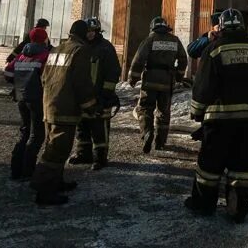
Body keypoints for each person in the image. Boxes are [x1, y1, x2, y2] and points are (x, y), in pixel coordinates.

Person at [185, 8, 248, 223]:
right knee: (241, 165)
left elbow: (202, 85)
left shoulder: (213, 50)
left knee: (210, 165)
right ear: (242, 26)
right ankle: (237, 210)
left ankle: (203, 206)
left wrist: (196, 112)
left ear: (220, 27)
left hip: (219, 118)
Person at [31, 19, 99, 206]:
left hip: (50, 105)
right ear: (84, 34)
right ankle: (45, 191)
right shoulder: (80, 50)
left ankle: (56, 182)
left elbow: (44, 76)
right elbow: (81, 82)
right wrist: (90, 105)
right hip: (65, 108)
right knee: (57, 150)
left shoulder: (56, 49)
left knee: (52, 145)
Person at [128, 16, 187, 153]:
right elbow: (183, 59)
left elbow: (139, 60)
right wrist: (179, 75)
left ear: (152, 27)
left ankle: (147, 132)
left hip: (150, 81)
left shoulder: (150, 39)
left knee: (145, 108)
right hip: (167, 81)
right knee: (164, 112)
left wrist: (133, 78)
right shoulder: (175, 40)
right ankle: (160, 142)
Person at [69, 17, 122, 170]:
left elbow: (113, 72)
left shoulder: (106, 48)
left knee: (99, 128)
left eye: (93, 31)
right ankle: (83, 154)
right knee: (82, 126)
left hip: (100, 95)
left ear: (98, 32)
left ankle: (100, 158)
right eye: (88, 31)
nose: (90, 34)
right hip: (83, 95)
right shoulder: (79, 47)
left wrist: (106, 93)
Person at [5, 25, 52, 180]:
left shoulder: (21, 55)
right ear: (44, 39)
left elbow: (8, 72)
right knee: (36, 134)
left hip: (21, 98)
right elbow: (48, 77)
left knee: (24, 131)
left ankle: (15, 168)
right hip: (36, 99)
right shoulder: (45, 55)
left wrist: (19, 83)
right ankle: (28, 170)